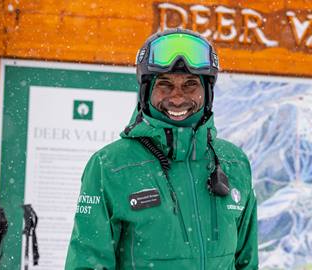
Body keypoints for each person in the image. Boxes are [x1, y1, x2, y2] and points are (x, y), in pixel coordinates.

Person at [65, 28, 258, 269]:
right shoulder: (110, 165)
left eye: (190, 85)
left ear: (207, 93)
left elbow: (246, 261)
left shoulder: (234, 162)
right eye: (164, 85)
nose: (177, 98)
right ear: (146, 92)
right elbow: (88, 261)